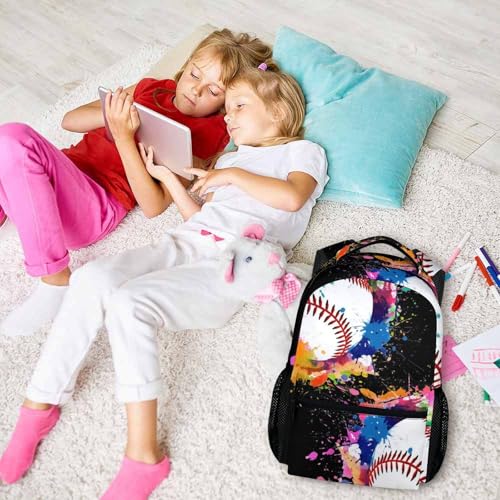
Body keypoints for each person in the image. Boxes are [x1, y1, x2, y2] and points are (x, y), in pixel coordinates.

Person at [0, 61, 328, 499]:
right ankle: (39, 404)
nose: (228, 117)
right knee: (92, 277)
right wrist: (171, 182)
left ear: (279, 112)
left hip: (234, 262)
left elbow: (291, 198)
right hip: (189, 241)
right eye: (228, 108)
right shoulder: (232, 159)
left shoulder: (302, 151)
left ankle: (143, 455)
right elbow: (202, 219)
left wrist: (228, 176)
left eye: (239, 106)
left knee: (130, 303)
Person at [0, 29, 272, 337]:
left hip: (95, 204)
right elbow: (70, 121)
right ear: (186, 66)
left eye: (213, 91)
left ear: (225, 103)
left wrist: (124, 137)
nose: (195, 90)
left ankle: (55, 280)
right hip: (61, 174)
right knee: (7, 146)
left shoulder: (206, 132)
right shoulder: (151, 88)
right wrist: (116, 114)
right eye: (194, 75)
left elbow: (153, 205)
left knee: (14, 137)